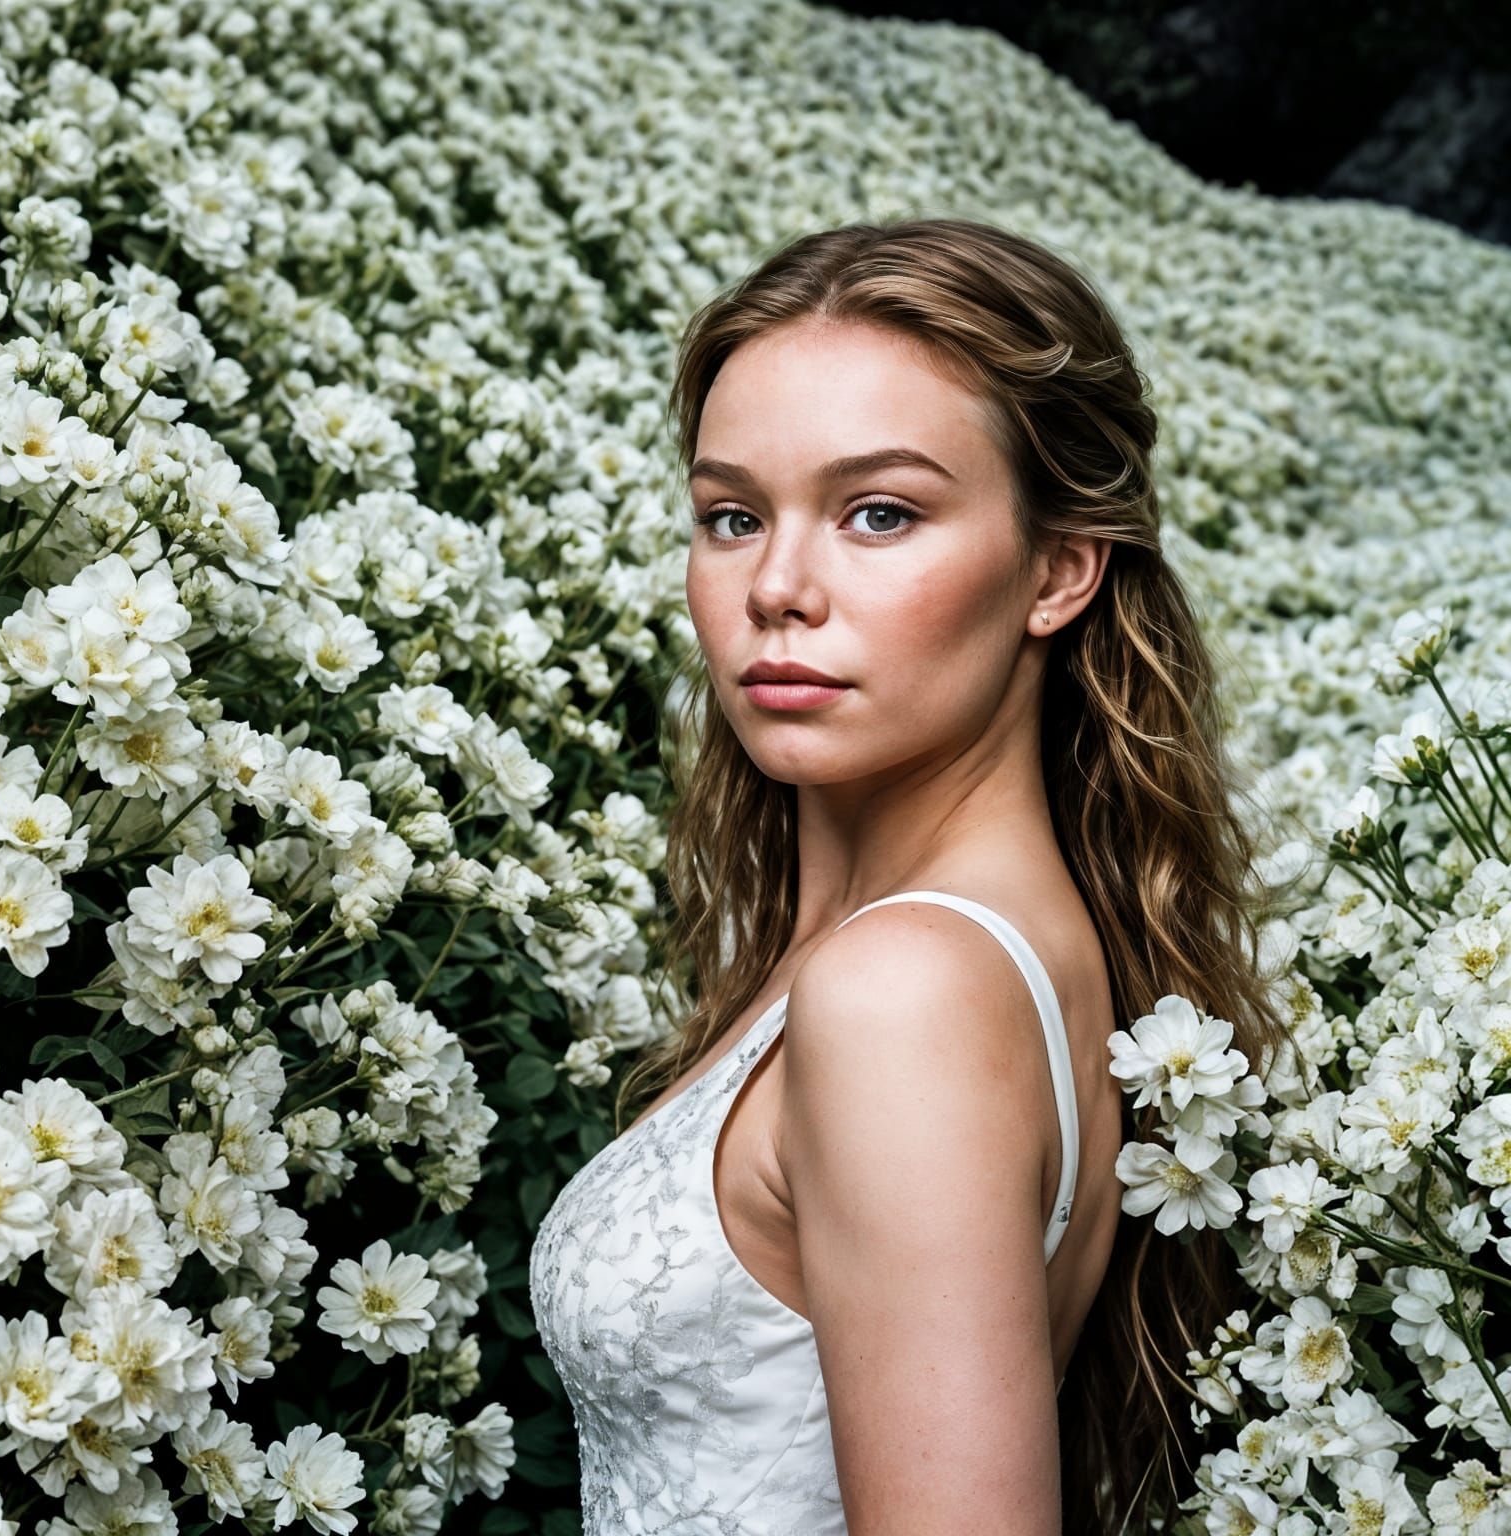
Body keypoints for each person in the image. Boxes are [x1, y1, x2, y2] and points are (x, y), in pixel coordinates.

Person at [528, 216, 1287, 1535]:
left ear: (1058, 570)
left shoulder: (906, 991)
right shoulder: (974, 948)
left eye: (880, 513)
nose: (776, 585)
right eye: (730, 515)